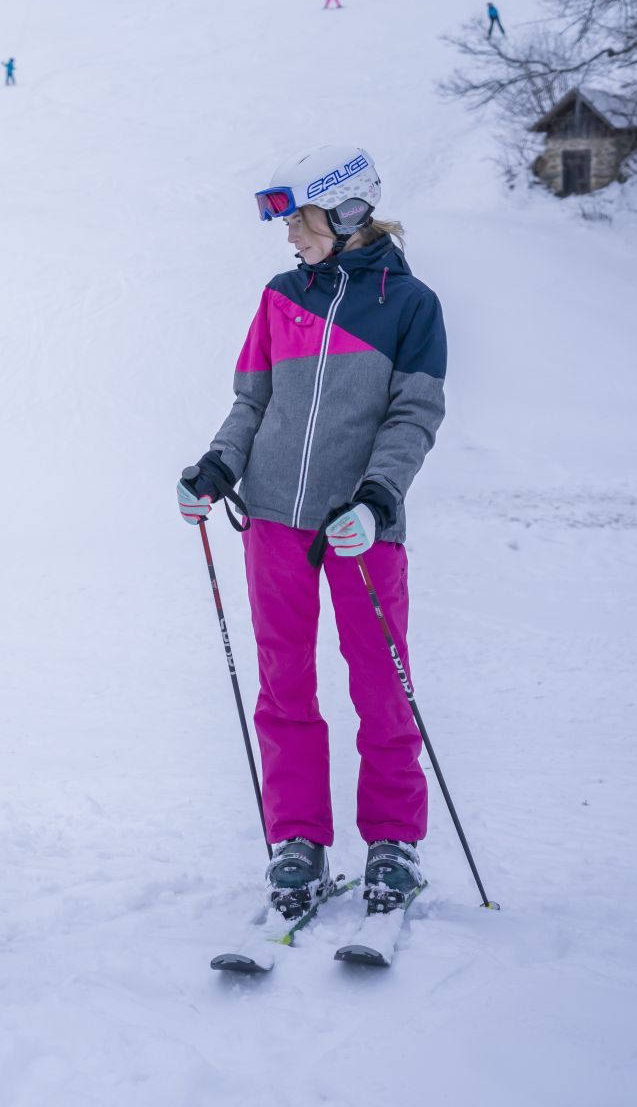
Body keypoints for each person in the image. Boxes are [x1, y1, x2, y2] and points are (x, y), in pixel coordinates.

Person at [177, 146, 446, 929]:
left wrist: (378, 496)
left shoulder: (410, 305)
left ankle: (393, 840)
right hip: (273, 520)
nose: (291, 233)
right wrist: (218, 466)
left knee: (380, 683)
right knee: (284, 684)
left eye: (302, 218)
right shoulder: (280, 295)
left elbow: (414, 415)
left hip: (360, 526)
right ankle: (298, 835)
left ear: (349, 212)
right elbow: (251, 402)